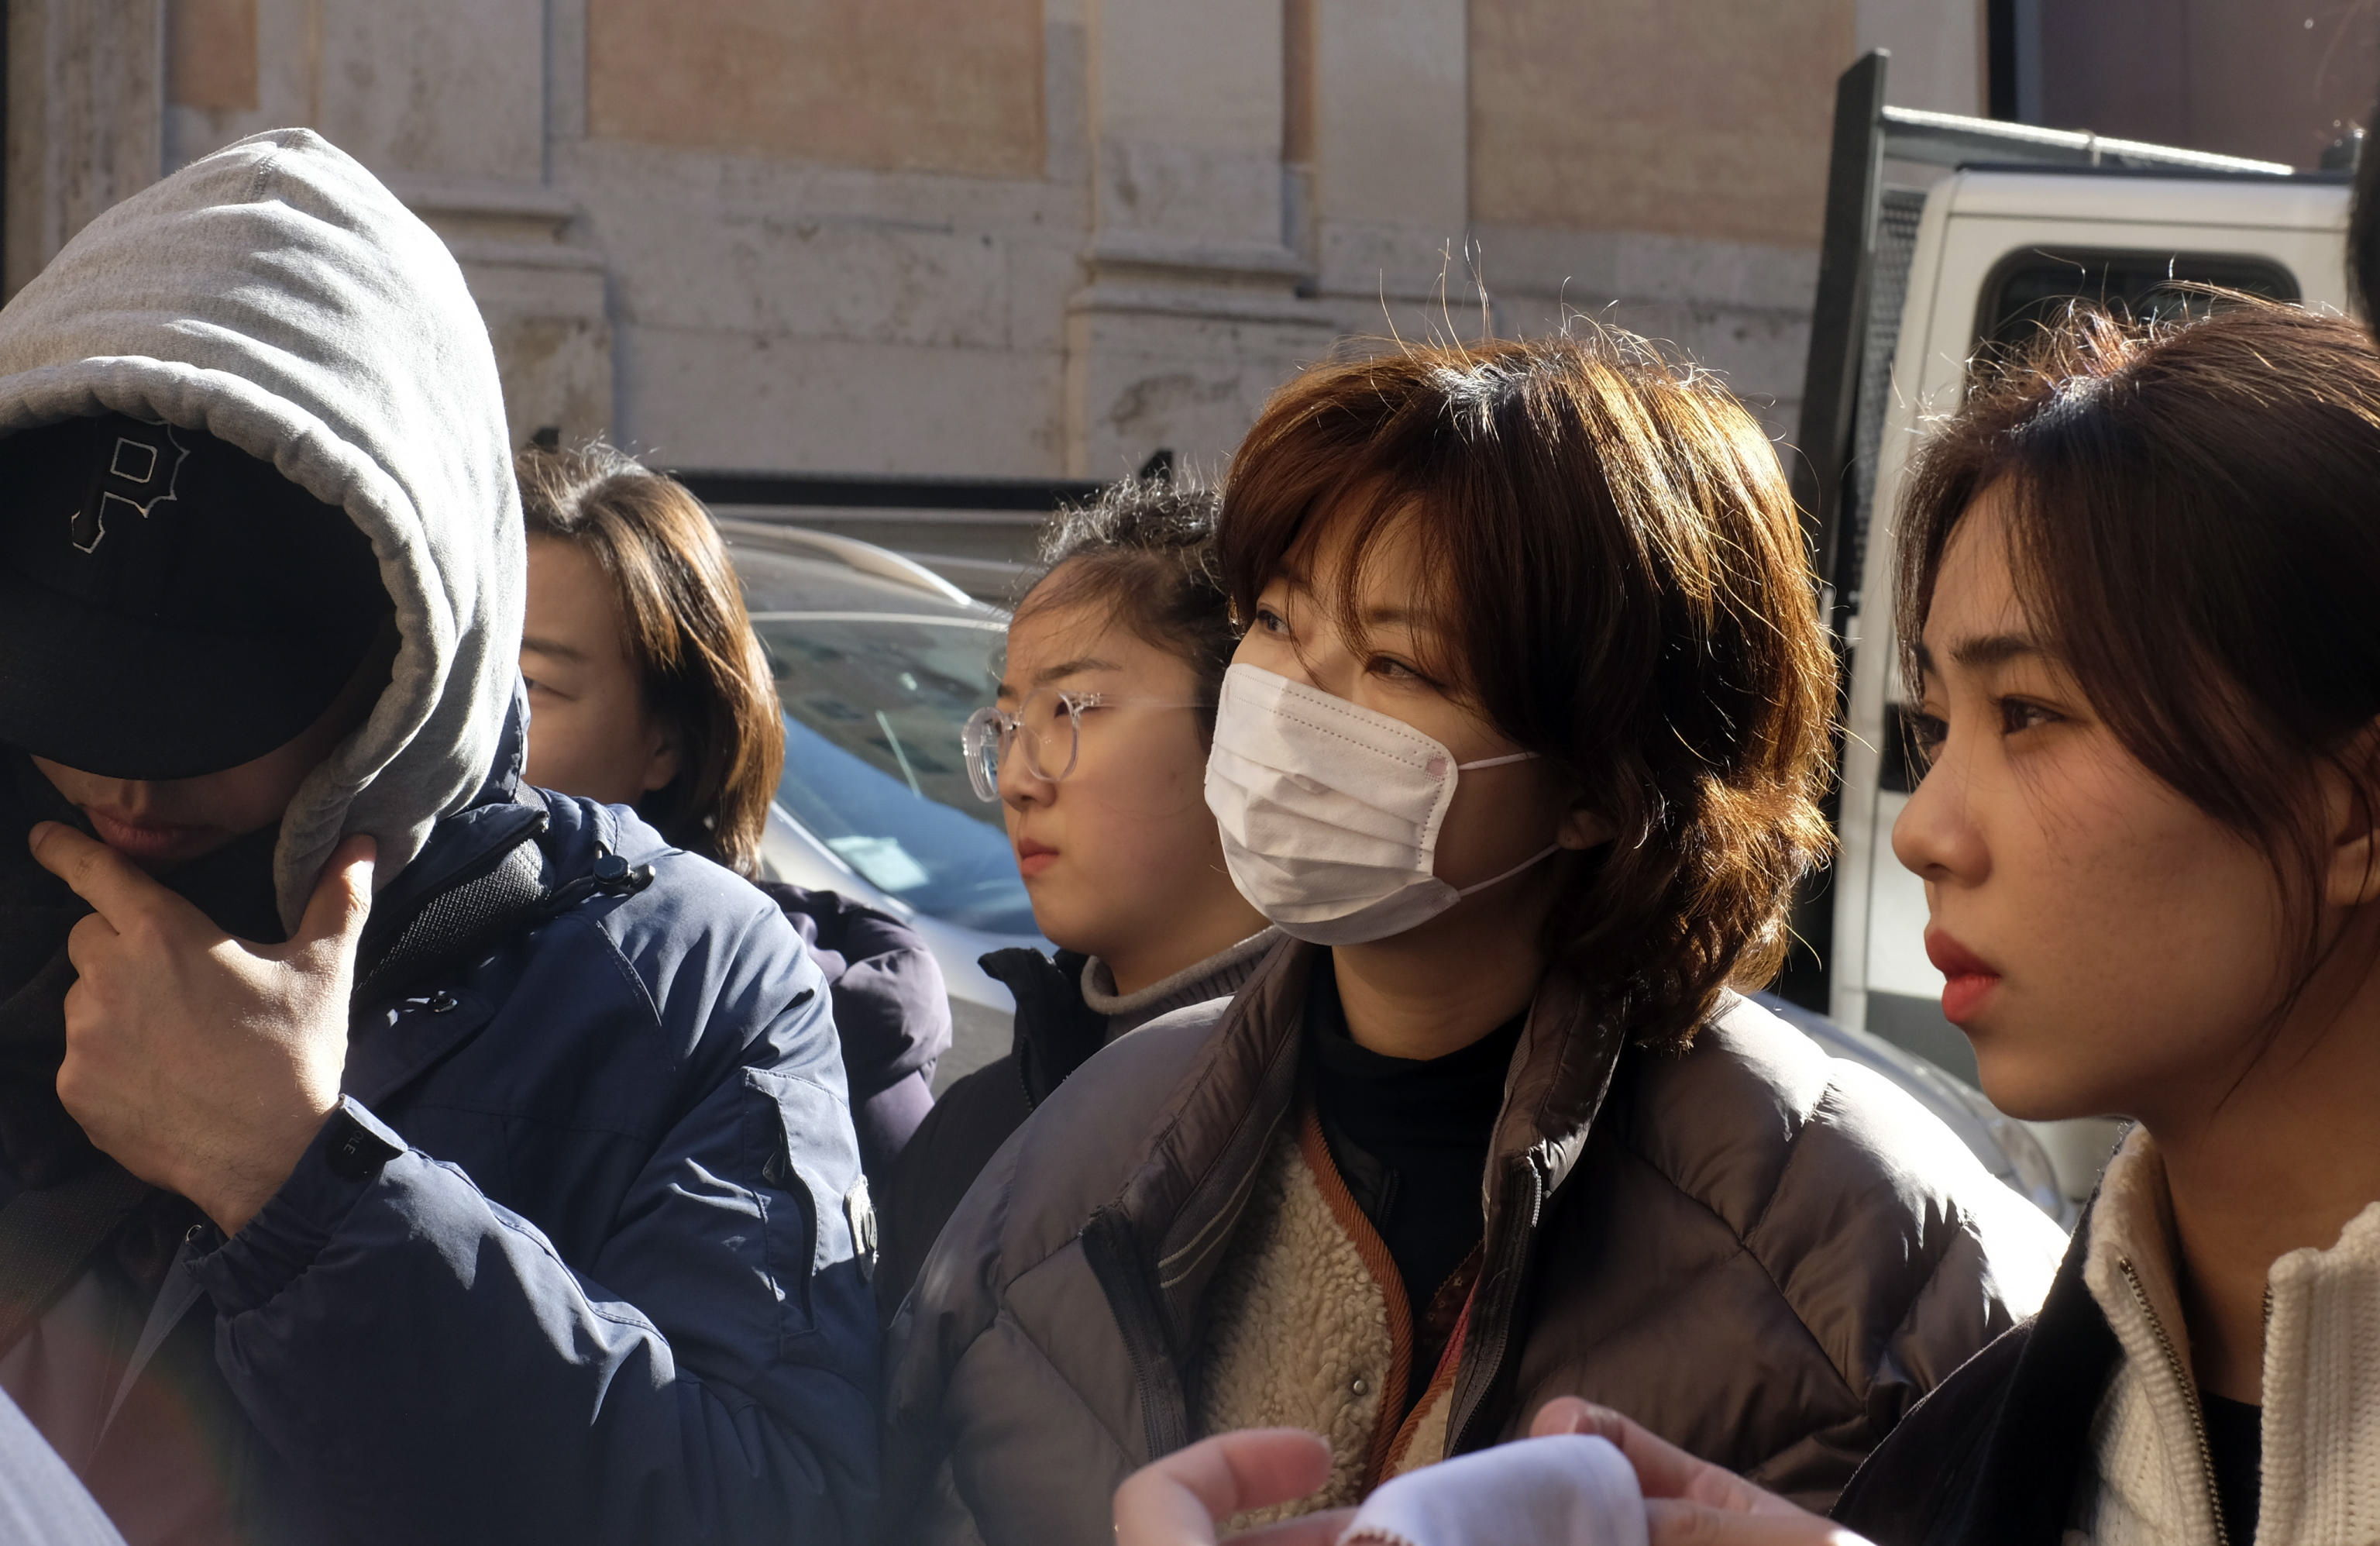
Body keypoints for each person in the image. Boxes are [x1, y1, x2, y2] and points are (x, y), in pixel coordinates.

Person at [880, 332, 2065, 1546]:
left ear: (1605, 780)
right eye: (1281, 622)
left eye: (1395, 661)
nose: (1292, 704)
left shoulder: (1864, 1254)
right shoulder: (1084, 1150)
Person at [0, 130, 875, 1545]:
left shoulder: (691, 977)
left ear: (418, 651)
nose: (129, 781)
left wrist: (297, 1182)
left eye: (212, 712)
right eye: (63, 691)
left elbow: (779, 1506)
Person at [875, 477, 1274, 1310]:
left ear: (1247, 724)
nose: (1019, 779)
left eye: (1070, 712)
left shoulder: (1365, 1091)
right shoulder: (973, 1132)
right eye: (1010, 725)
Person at [515, 440, 951, 1185]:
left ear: (669, 743)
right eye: (462, 665)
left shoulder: (792, 1036)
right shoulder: (350, 955)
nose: (476, 719)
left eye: (532, 685)